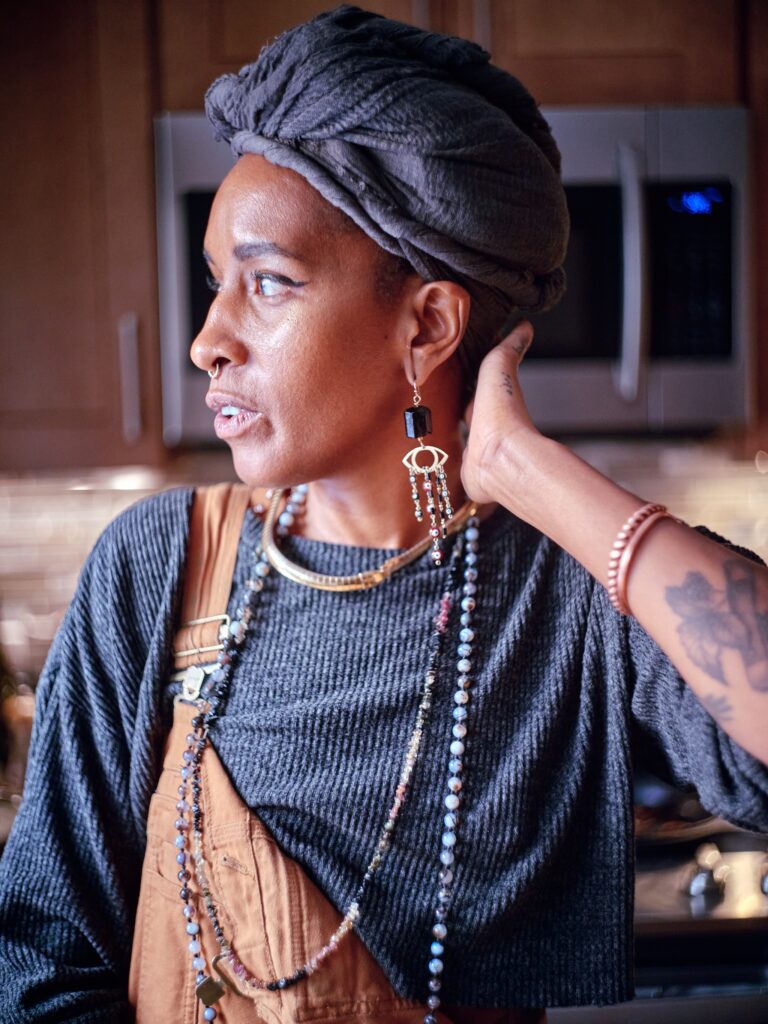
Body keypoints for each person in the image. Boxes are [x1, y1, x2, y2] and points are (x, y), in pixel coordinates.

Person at [1, 6, 767, 1023]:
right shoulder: (159, 569)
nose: (206, 340)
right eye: (215, 283)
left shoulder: (571, 590)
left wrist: (529, 471)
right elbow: (43, 965)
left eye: (267, 283)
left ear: (429, 326)